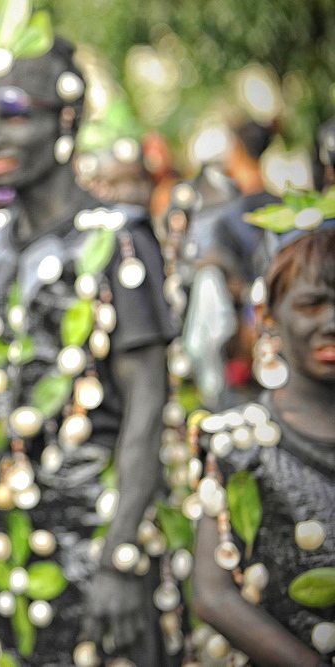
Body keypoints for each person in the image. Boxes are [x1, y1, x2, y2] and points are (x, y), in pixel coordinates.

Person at [0, 37, 178, 665]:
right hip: (8, 552)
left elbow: (147, 409)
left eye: (16, 114)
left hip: (97, 541)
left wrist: (121, 560)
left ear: (66, 121)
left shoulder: (118, 239)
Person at [191, 227, 335, 665]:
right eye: (312, 304)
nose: (331, 321)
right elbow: (212, 595)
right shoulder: (238, 441)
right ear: (268, 316)